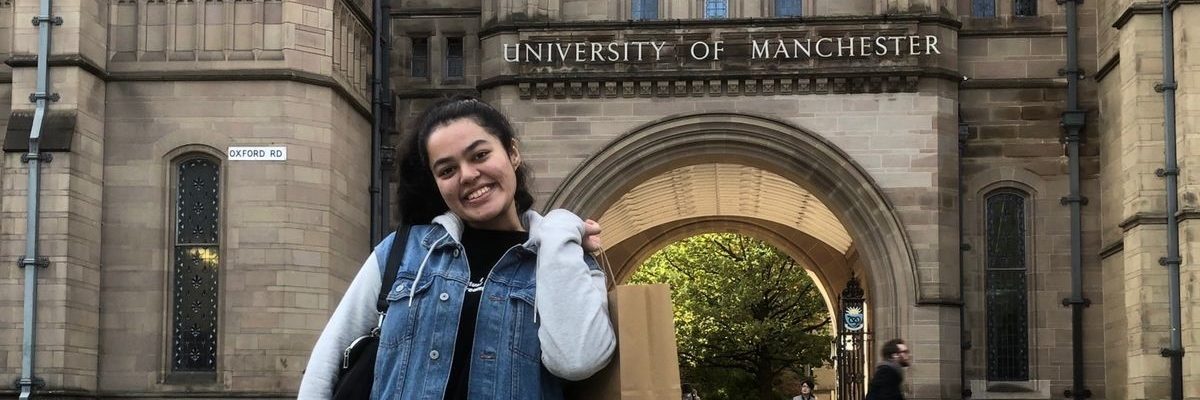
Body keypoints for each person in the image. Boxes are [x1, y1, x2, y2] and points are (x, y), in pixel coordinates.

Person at [299, 96, 616, 399]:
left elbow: (577, 361)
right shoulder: (402, 252)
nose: (468, 175)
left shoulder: (564, 260)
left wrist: (560, 227)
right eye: (447, 170)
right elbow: (326, 362)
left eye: (480, 155)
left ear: (513, 154)